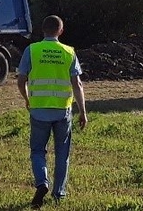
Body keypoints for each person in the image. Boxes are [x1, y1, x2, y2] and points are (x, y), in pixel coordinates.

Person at [17, 15, 88, 209]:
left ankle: (42, 182)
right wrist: (82, 111)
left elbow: (21, 80)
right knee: (62, 153)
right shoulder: (68, 52)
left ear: (42, 30)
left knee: (38, 150)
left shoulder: (32, 50)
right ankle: (59, 193)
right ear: (61, 31)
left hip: (38, 109)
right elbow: (77, 84)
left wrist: (27, 99)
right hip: (62, 111)